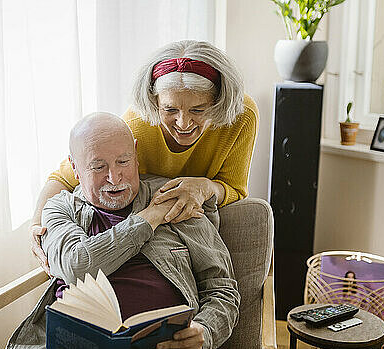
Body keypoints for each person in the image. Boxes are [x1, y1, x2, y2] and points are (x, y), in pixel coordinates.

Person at [0, 112, 240, 349]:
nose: (114, 177)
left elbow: (222, 288)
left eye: (123, 161)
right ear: (75, 168)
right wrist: (149, 219)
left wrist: (205, 331)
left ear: (136, 153)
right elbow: (76, 266)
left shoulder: (175, 199)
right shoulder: (60, 207)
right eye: (98, 166)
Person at [31, 40, 259, 270]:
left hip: (191, 226)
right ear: (154, 101)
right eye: (170, 110)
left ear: (218, 101)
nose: (183, 123)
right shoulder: (137, 123)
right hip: (142, 231)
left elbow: (235, 188)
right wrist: (37, 224)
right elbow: (65, 177)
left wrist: (205, 187)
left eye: (198, 110)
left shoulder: (241, 116)